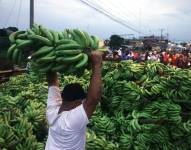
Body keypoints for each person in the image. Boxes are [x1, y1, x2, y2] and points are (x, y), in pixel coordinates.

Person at [45, 51, 104, 150]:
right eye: (82, 102)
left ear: (63, 97)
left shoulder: (52, 111)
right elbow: (93, 99)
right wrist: (97, 63)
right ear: (77, 102)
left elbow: (52, 81)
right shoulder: (71, 121)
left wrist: (49, 58)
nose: (82, 104)